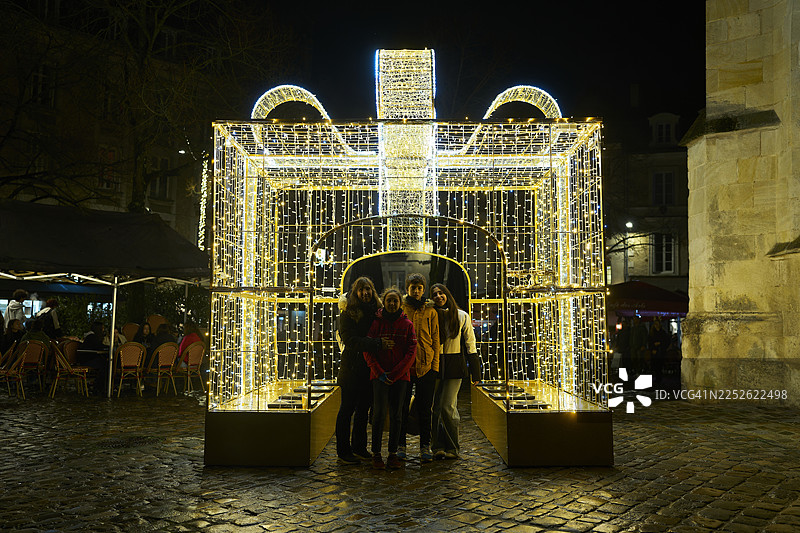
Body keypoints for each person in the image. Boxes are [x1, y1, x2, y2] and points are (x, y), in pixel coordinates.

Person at [335, 276, 391, 465]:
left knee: (363, 411)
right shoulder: (348, 313)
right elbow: (350, 341)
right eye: (361, 290)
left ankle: (359, 447)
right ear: (355, 293)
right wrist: (376, 344)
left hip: (369, 370)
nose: (365, 293)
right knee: (346, 411)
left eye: (368, 289)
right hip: (351, 369)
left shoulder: (377, 312)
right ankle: (343, 450)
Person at [364, 288, 416, 470]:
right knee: (378, 414)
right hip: (379, 377)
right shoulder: (376, 324)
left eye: (395, 301)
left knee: (397, 415)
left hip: (400, 378)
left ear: (400, 304)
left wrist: (395, 374)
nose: (392, 304)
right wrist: (379, 372)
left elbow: (411, 352)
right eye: (389, 301)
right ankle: (376, 453)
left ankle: (392, 453)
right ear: (384, 303)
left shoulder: (407, 325)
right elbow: (368, 350)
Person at [430, 283, 481, 460]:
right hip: (434, 367)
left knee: (448, 406)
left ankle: (453, 447)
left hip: (454, 366)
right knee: (433, 408)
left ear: (447, 294)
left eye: (441, 293)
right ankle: (437, 446)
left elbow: (470, 344)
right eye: (434, 294)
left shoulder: (461, 316)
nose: (438, 296)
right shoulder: (430, 315)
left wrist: (476, 373)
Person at [398, 273, 440, 463]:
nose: (416, 291)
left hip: (426, 366)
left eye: (419, 288)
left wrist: (435, 366)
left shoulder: (431, 311)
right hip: (405, 367)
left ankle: (425, 446)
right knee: (401, 408)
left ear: (424, 289)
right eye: (413, 287)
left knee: (425, 409)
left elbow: (436, 339)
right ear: (407, 288)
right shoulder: (401, 307)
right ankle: (400, 446)